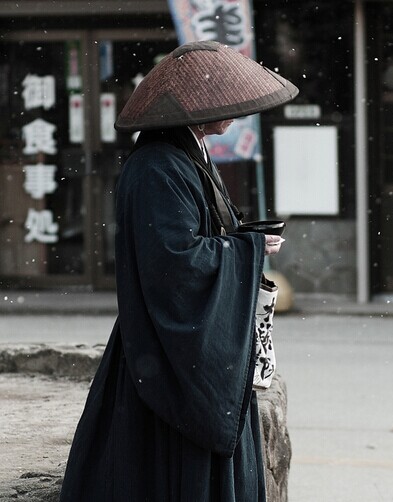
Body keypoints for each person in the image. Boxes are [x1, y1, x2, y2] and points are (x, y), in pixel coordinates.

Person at [59, 40, 298, 502]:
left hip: (171, 349)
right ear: (193, 109)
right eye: (222, 102)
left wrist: (243, 242)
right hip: (165, 352)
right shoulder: (157, 167)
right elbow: (175, 263)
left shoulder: (185, 155)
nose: (233, 113)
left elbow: (199, 241)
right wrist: (245, 251)